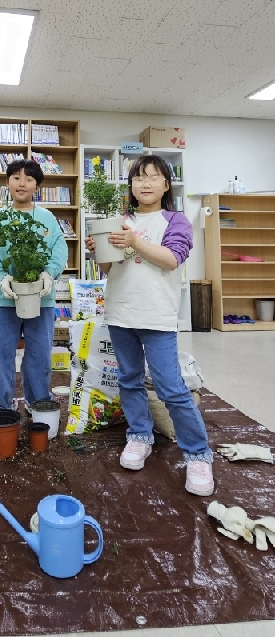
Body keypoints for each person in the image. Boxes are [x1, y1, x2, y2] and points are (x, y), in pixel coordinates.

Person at [85, 155, 214, 496]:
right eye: (139, 178)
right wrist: (98, 250)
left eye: (154, 177)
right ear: (130, 185)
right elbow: (109, 271)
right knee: (128, 379)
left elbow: (172, 260)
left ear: (166, 185)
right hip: (120, 313)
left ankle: (198, 454)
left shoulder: (176, 220)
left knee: (170, 387)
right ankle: (139, 435)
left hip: (156, 315)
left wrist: (134, 242)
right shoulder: (119, 221)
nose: (145, 183)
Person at [0, 159, 68, 412]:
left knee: (39, 355)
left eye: (29, 179)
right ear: (7, 183)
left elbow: (59, 251)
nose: (22, 183)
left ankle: (38, 401)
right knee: (0, 355)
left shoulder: (47, 218)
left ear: (37, 186)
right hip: (3, 298)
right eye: (16, 177)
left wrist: (49, 274)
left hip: (41, 297)